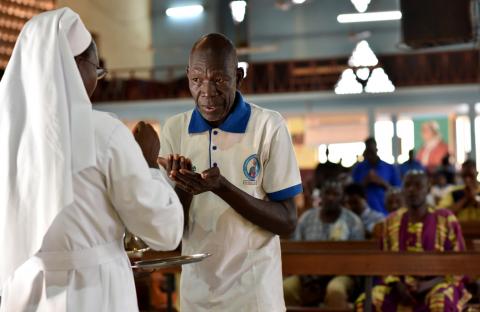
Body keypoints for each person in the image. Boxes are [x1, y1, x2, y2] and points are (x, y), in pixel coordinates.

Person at [0, 8, 183, 311]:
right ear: (76, 65)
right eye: (97, 69)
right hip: (94, 292)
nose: (97, 80)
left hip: (25, 291)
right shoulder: (104, 133)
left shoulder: (6, 136)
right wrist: (149, 164)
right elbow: (163, 231)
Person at [159, 33, 302, 311]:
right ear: (188, 75)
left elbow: (287, 222)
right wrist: (183, 187)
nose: (207, 91)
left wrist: (223, 188)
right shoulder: (175, 129)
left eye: (219, 79)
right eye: (197, 79)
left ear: (239, 76)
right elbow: (171, 236)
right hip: (197, 297)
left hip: (255, 296)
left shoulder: (267, 126)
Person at [355, 171, 471, 311]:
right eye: (408, 185)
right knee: (367, 301)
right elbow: (384, 263)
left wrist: (427, 285)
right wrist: (398, 286)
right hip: (399, 287)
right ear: (402, 189)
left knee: (440, 301)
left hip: (438, 284)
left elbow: (458, 264)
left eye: (418, 185)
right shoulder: (391, 221)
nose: (412, 190)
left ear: (428, 188)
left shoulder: (445, 218)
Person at [284, 180, 364, 309]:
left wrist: (323, 277)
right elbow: (297, 250)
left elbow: (357, 259)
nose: (331, 198)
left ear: (342, 197)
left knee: (335, 291)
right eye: (327, 193)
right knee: (286, 289)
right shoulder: (306, 218)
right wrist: (305, 276)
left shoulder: (353, 221)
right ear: (321, 195)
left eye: (336, 194)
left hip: (342, 274)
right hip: (307, 275)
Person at [352, 137, 401, 215]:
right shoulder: (358, 168)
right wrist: (365, 182)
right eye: (368, 151)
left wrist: (382, 182)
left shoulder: (389, 167)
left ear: (376, 149)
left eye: (372, 151)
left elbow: (398, 191)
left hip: (386, 213)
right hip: (364, 215)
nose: (370, 154)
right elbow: (352, 193)